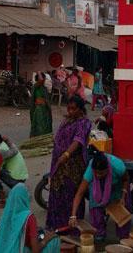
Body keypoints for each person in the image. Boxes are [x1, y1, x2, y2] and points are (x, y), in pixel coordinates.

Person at [46, 96, 92, 230]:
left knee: (70, 194)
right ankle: (56, 226)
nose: (70, 111)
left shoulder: (84, 123)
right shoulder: (67, 120)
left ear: (80, 109)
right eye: (69, 108)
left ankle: (71, 227)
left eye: (74, 109)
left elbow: (78, 141)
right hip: (58, 163)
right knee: (57, 193)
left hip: (72, 166)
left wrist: (66, 154)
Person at [70, 151, 131, 242]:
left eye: (101, 173)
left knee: (122, 216)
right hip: (97, 189)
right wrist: (73, 215)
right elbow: (79, 193)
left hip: (117, 189)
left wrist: (122, 197)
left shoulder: (118, 166)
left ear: (108, 169)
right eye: (96, 173)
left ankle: (124, 239)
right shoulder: (90, 171)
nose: (98, 175)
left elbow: (126, 180)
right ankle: (99, 238)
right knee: (96, 215)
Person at [0, 183, 60, 253]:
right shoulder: (29, 217)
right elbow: (35, 251)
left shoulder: (8, 214)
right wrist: (46, 240)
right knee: (54, 240)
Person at [30, 72, 53, 137]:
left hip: (45, 109)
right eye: (44, 78)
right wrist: (39, 72)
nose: (44, 80)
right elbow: (41, 80)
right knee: (40, 127)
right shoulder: (36, 86)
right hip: (39, 110)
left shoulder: (44, 87)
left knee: (46, 127)